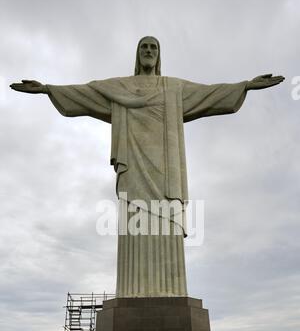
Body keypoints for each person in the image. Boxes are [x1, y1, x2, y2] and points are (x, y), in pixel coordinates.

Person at [10, 37, 284, 298]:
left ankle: (171, 292)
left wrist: (245, 86)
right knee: (133, 227)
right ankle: (132, 291)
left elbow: (210, 92)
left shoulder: (173, 88)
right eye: (144, 47)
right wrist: (48, 89)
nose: (149, 51)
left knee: (167, 227)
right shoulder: (119, 88)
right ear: (138, 54)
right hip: (134, 171)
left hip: (167, 173)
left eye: (154, 47)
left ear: (159, 54)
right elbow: (86, 92)